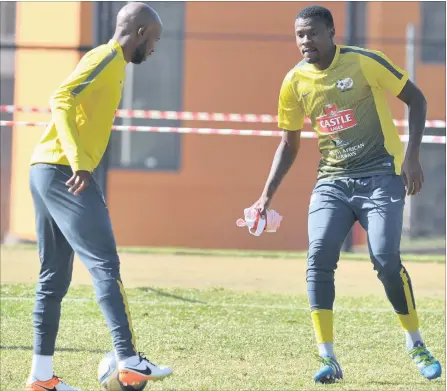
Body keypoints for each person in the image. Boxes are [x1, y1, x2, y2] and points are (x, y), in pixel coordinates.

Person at [251, 5, 442, 385]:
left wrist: (412, 157)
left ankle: (417, 344)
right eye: (300, 35)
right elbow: (288, 145)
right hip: (333, 182)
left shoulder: (365, 62)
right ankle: (328, 358)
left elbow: (417, 100)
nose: (306, 41)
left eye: (313, 34)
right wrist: (264, 197)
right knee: (319, 256)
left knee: (385, 258)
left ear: (332, 33)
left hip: (381, 177)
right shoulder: (294, 81)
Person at [26, 3, 173, 390]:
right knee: (105, 264)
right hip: (64, 173)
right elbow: (61, 98)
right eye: (155, 39)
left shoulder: (115, 65)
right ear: (140, 32)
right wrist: (79, 163)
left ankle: (41, 378)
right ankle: (129, 359)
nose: (156, 48)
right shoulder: (106, 57)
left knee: (52, 279)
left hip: (45, 169)